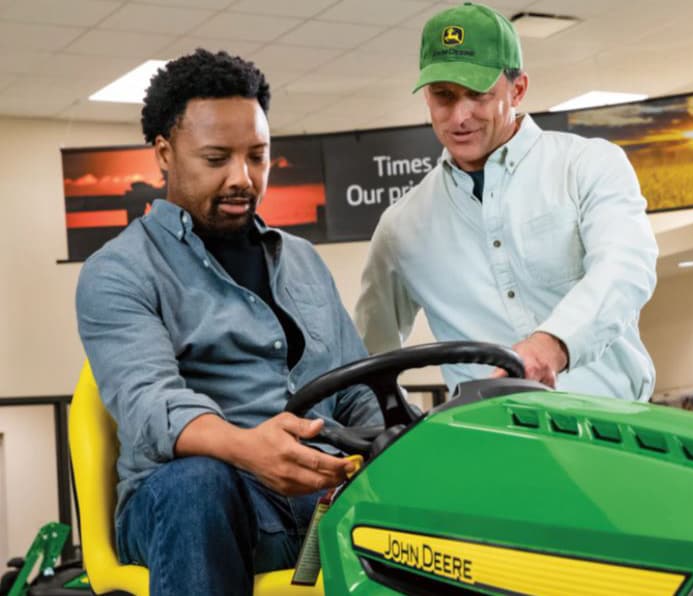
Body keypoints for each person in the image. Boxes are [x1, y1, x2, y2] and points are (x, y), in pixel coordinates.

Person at [75, 49, 380, 596]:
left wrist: (389, 443)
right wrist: (250, 450)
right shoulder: (118, 271)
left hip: (318, 499)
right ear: (165, 154)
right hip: (192, 506)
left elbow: (356, 389)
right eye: (216, 159)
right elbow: (152, 405)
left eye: (257, 157)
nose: (243, 178)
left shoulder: (304, 260)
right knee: (198, 484)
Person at [355, 2, 659, 401]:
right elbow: (366, 353)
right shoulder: (402, 227)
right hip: (491, 448)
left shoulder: (588, 164)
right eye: (443, 96)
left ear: (518, 89)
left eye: (478, 94)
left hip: (613, 431)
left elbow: (626, 269)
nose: (460, 116)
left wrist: (550, 346)